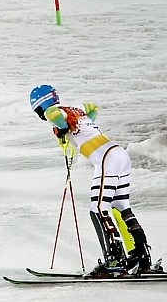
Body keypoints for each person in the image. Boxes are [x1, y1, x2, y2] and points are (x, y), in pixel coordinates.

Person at [29, 85, 154, 273]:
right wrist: (83, 126)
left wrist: (63, 129)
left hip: (106, 157)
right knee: (122, 206)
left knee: (98, 208)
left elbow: (52, 113)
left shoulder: (52, 111)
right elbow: (93, 106)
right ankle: (142, 255)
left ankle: (114, 259)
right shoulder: (75, 109)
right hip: (120, 154)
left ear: (39, 105)